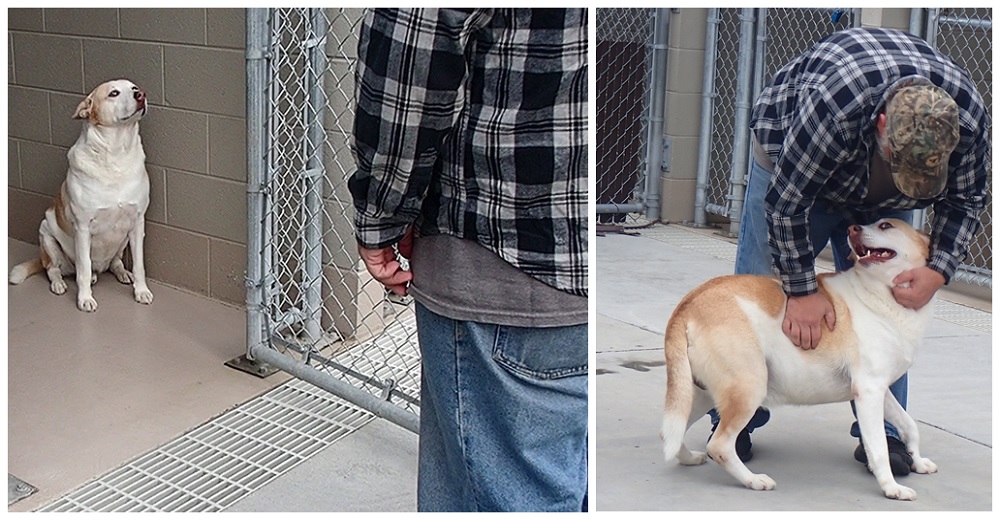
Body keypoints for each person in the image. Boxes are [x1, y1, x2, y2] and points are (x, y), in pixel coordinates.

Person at [717, 27, 989, 472]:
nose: (911, 188)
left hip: (865, 181)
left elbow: (967, 199)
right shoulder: (835, 107)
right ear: (883, 125)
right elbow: (787, 206)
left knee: (889, 304)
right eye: (903, 170)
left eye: (922, 178)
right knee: (761, 283)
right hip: (794, 161)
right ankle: (735, 417)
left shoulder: (969, 121)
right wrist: (802, 291)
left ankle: (884, 433)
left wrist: (939, 269)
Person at [348, 8, 588, 512]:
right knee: (562, 479)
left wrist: (382, 220)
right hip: (583, 268)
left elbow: (410, 58)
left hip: (493, 263)